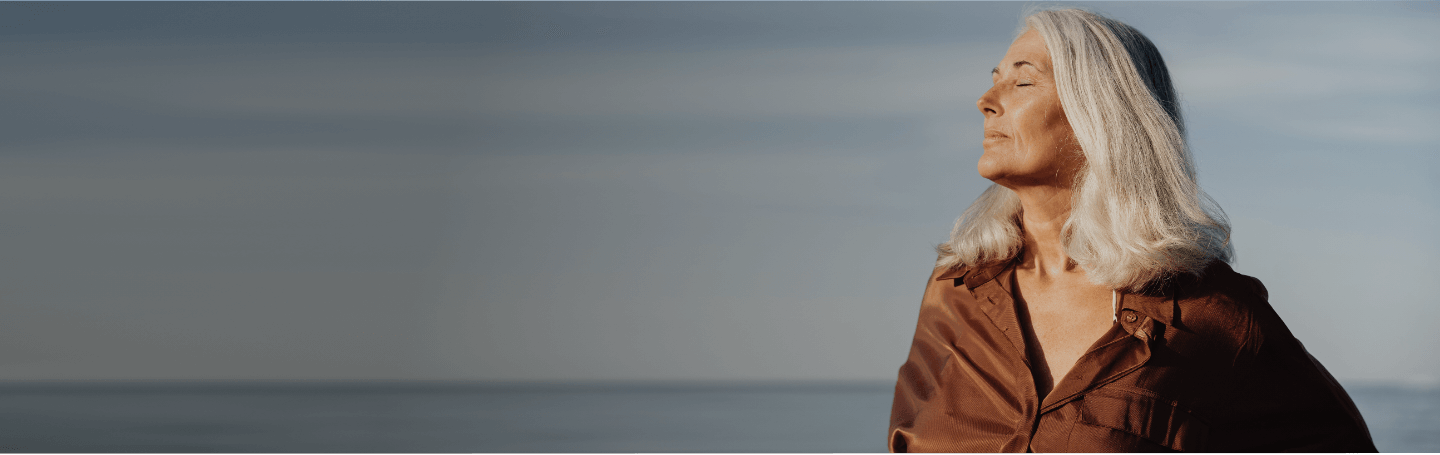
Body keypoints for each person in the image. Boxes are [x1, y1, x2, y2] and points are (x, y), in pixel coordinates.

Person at [887, 8, 1376, 453]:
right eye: (993, 81)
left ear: (1100, 113)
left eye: (1022, 83)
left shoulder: (1213, 314)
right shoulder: (955, 288)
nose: (985, 101)